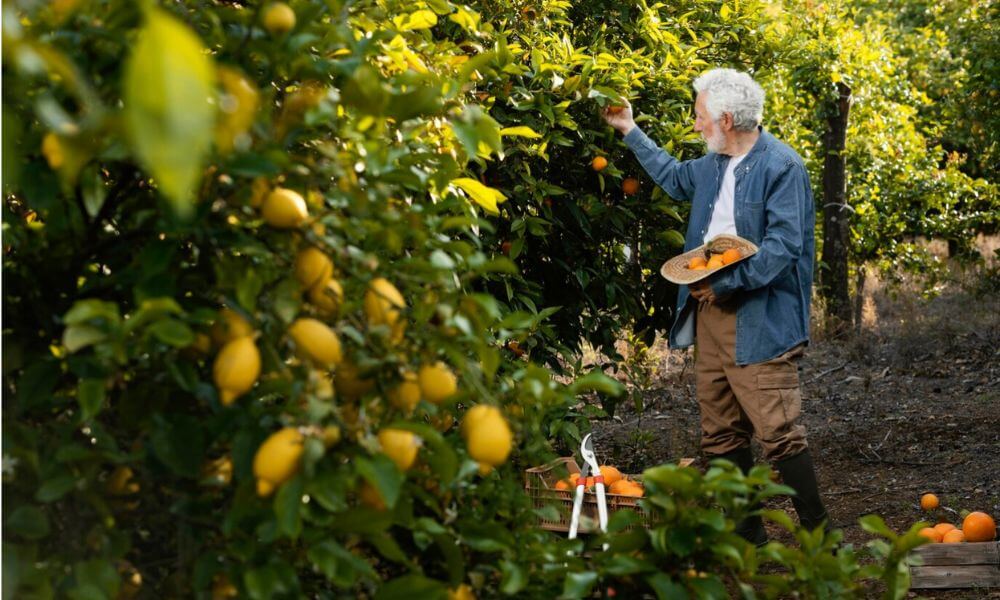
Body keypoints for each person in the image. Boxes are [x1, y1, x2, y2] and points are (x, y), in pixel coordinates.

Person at [602, 68, 828, 544]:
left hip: (760, 316)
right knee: (721, 432)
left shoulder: (781, 167)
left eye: (701, 115)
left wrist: (728, 283)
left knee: (779, 431)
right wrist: (629, 129)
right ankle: (750, 541)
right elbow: (673, 177)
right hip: (708, 314)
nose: (696, 123)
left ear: (726, 118)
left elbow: (785, 249)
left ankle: (822, 542)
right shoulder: (713, 165)